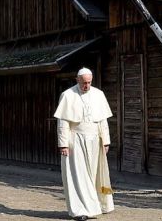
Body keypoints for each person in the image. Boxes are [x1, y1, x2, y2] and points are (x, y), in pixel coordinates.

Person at [53, 67, 114, 220]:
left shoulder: (98, 94)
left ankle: (99, 205)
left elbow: (103, 121)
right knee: (79, 176)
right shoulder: (67, 95)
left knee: (94, 174)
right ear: (77, 80)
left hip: (95, 140)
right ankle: (80, 210)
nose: (86, 86)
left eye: (89, 82)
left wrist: (105, 141)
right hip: (76, 140)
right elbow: (63, 122)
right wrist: (63, 144)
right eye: (84, 83)